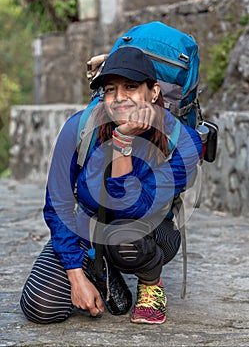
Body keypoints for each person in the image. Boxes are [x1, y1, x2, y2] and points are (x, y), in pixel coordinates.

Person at [20, 47, 202, 325]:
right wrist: (75, 274)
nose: (119, 98)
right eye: (110, 89)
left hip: (148, 232)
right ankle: (101, 270)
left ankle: (150, 282)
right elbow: (59, 203)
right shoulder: (79, 128)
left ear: (153, 92)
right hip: (89, 226)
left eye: (131, 87)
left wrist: (123, 145)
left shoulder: (183, 143)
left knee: (124, 235)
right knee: (41, 307)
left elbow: (132, 209)